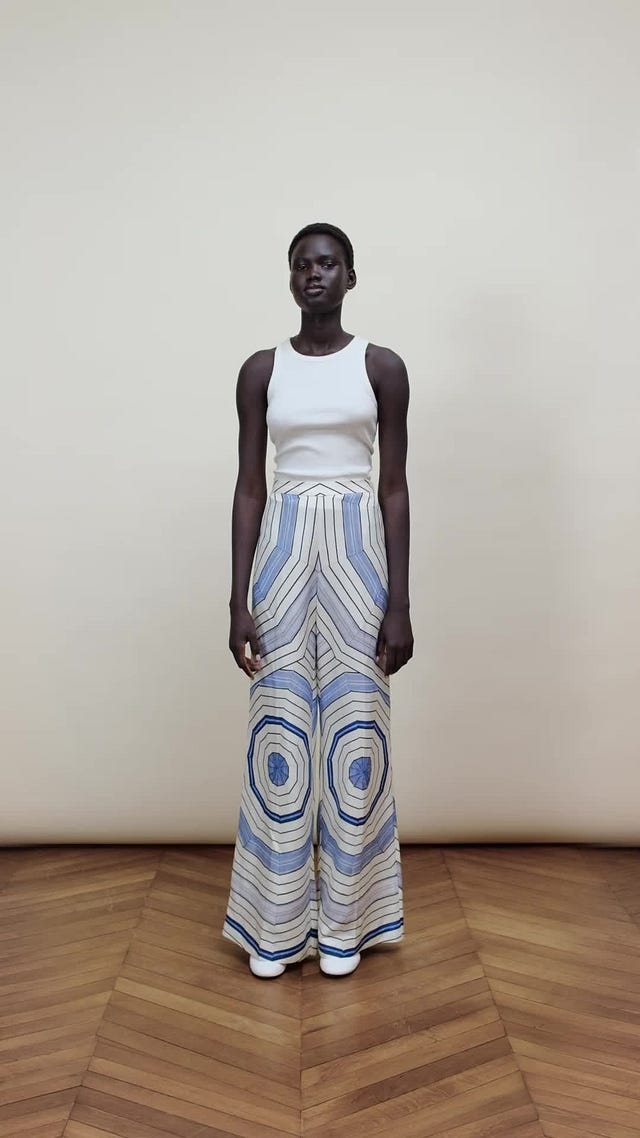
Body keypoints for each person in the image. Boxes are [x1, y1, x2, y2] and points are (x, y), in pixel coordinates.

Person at [223, 222, 413, 978]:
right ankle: (274, 928)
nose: (314, 274)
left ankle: (344, 926)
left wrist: (399, 602)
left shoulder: (382, 367)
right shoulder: (261, 370)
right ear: (291, 278)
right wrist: (237, 599)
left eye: (328, 264)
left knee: (357, 728)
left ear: (350, 277)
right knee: (281, 726)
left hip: (357, 544)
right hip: (283, 543)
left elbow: (394, 487)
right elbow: (249, 487)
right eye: (302, 264)